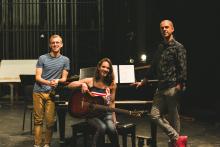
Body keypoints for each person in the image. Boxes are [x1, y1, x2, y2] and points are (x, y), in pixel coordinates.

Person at [131, 19, 187, 147]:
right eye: (162, 28)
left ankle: (175, 144)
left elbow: (182, 67)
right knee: (154, 115)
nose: (164, 29)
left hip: (172, 87)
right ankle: (177, 139)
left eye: (167, 27)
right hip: (160, 87)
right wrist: (144, 80)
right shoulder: (160, 46)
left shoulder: (178, 47)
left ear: (172, 29)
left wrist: (180, 84)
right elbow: (154, 65)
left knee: (174, 118)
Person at [67, 58, 120, 147]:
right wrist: (82, 84)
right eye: (103, 67)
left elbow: (112, 102)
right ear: (99, 67)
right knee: (102, 127)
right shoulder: (90, 81)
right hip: (92, 115)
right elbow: (69, 85)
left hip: (106, 113)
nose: (105, 69)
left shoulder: (112, 84)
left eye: (108, 68)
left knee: (111, 129)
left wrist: (114, 120)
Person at [33, 34, 70, 147]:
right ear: (50, 44)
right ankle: (37, 144)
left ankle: (47, 144)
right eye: (53, 42)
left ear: (61, 45)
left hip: (52, 93)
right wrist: (49, 82)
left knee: (50, 121)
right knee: (38, 120)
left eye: (57, 42)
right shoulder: (42, 58)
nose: (55, 44)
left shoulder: (65, 60)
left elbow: (64, 78)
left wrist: (57, 81)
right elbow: (38, 77)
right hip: (38, 91)